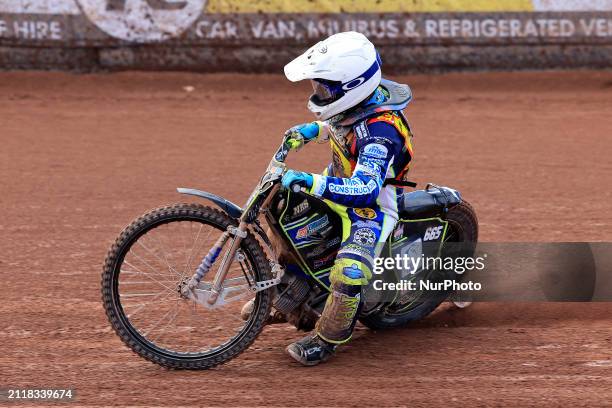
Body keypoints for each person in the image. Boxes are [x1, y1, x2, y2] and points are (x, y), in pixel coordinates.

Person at [281, 31, 414, 366]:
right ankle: (294, 292)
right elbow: (341, 127)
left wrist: (311, 181)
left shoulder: (382, 132)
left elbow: (366, 190)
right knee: (285, 212)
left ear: (352, 86)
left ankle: (327, 339)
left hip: (370, 209)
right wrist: (313, 131)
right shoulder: (357, 104)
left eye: (324, 89)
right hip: (338, 182)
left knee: (349, 271)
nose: (318, 94)